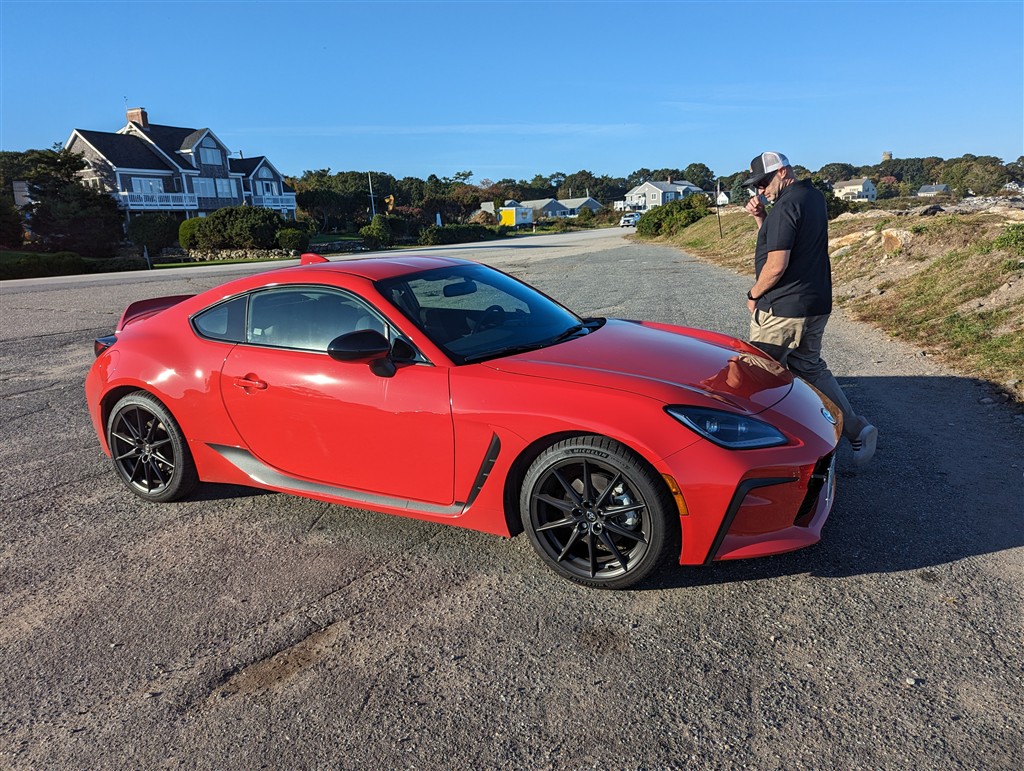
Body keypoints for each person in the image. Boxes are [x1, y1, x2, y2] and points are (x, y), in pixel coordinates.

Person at [741, 151, 877, 467]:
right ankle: (856, 429)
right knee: (810, 368)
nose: (760, 190)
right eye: (756, 186)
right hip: (815, 303)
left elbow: (776, 265)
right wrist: (761, 217)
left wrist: (753, 293)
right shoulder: (812, 197)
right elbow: (782, 241)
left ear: (783, 172)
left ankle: (773, 453)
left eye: (763, 182)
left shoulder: (786, 206)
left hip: (783, 309)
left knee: (760, 377)